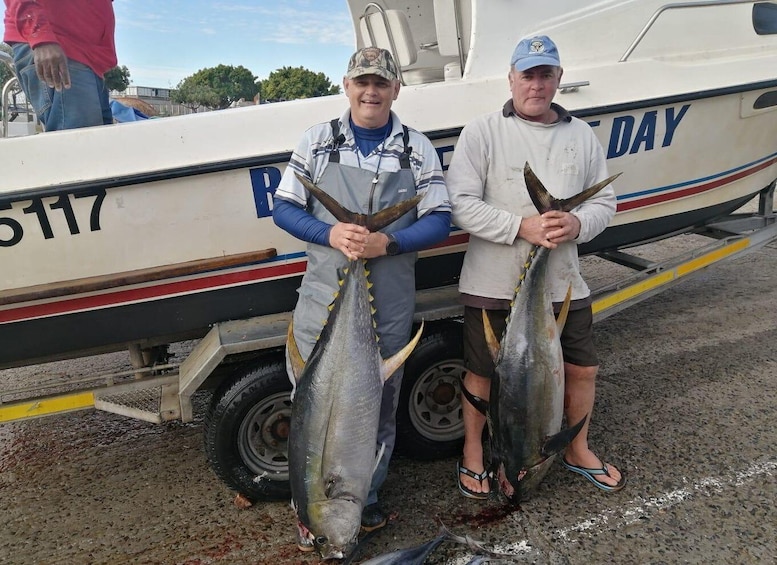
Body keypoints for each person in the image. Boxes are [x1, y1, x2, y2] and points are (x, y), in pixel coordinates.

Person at [272, 47, 451, 547]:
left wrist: (387, 241)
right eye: (362, 82)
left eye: (381, 83)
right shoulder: (318, 140)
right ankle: (309, 510)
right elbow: (283, 209)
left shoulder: (416, 148)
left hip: (388, 302)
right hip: (322, 297)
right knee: (310, 408)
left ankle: (363, 500)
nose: (370, 92)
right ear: (346, 86)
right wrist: (331, 235)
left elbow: (440, 219)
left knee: (378, 407)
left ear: (397, 89)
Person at [446, 35, 625, 499]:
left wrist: (577, 221)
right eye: (528, 74)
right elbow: (460, 205)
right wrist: (520, 227)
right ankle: (473, 451)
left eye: (546, 74)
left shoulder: (580, 134)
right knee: (484, 372)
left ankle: (576, 448)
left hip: (562, 282)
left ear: (559, 79)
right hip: (491, 280)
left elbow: (606, 202)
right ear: (511, 79)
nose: (537, 84)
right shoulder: (482, 131)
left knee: (582, 368)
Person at [3, 0, 116, 131]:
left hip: (90, 60)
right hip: (60, 47)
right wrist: (40, 35)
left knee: (100, 143)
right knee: (80, 144)